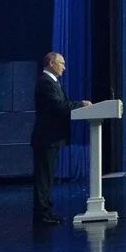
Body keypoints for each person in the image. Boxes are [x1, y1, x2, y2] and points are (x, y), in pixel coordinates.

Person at [33, 52, 88, 226]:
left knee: (48, 178)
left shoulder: (52, 82)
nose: (64, 67)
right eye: (61, 63)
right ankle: (43, 214)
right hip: (46, 138)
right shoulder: (45, 82)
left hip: (51, 138)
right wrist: (81, 104)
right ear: (51, 63)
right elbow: (58, 106)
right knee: (44, 178)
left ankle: (47, 211)